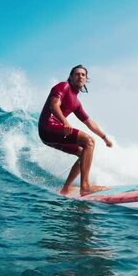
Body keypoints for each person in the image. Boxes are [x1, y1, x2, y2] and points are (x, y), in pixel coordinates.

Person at [38, 64, 113, 196]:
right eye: (77, 74)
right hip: (48, 127)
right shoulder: (63, 86)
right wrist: (65, 121)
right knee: (89, 141)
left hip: (52, 134)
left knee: (83, 152)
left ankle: (66, 188)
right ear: (71, 77)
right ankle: (85, 186)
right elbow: (54, 105)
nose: (80, 76)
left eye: (83, 75)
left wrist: (105, 138)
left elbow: (89, 123)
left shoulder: (76, 103)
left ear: (86, 79)